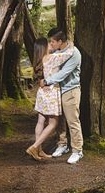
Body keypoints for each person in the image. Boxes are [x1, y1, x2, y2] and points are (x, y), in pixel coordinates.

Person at [26, 37, 75, 161]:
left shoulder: (39, 60)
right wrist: (69, 42)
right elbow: (69, 53)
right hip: (51, 93)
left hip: (42, 93)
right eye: (48, 43)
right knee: (53, 123)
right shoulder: (51, 59)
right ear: (44, 47)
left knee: (40, 121)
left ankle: (39, 151)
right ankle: (34, 147)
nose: (50, 44)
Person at [41, 28, 84, 164]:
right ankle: (62, 144)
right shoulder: (58, 52)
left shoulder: (74, 53)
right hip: (57, 91)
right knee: (59, 121)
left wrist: (47, 81)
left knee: (72, 121)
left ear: (60, 41)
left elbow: (64, 73)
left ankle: (77, 151)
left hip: (70, 90)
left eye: (53, 42)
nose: (51, 44)